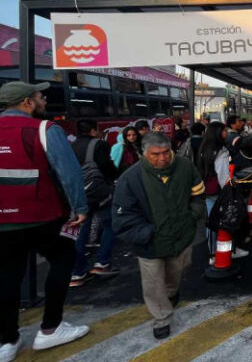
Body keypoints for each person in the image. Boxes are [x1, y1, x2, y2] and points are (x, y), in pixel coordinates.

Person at [0, 81, 90, 360]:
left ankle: (7, 342)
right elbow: (70, 173)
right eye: (39, 96)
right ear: (27, 102)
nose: (43, 100)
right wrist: (80, 207)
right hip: (43, 216)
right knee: (63, 259)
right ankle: (50, 328)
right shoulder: (45, 129)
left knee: (6, 277)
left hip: (3, 223)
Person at [112, 132, 206, 340]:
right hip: (149, 243)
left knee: (177, 273)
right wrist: (145, 233)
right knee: (153, 283)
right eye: (156, 154)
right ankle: (161, 318)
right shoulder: (130, 178)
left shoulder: (185, 167)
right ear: (145, 154)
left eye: (165, 152)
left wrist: (192, 217)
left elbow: (198, 195)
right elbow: (122, 215)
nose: (162, 158)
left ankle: (171, 294)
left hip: (181, 237)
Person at [70, 119, 121, 287]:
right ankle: (102, 263)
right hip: (98, 193)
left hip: (77, 193)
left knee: (80, 230)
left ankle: (78, 272)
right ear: (93, 130)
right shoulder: (99, 144)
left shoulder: (70, 145)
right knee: (110, 223)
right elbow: (107, 167)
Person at [196, 121, 231, 260]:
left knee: (211, 218)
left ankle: (212, 251)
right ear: (218, 133)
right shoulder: (221, 150)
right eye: (224, 131)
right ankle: (218, 252)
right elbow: (222, 173)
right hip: (218, 189)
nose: (226, 133)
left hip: (207, 187)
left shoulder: (204, 147)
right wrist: (228, 190)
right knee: (220, 219)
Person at [225, 114, 252, 179]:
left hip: (245, 168)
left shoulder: (238, 134)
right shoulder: (231, 136)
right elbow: (244, 143)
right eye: (239, 121)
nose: (242, 123)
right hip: (242, 169)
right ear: (232, 125)